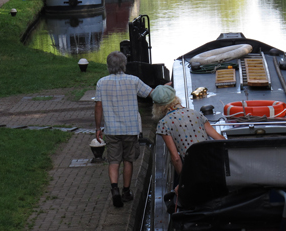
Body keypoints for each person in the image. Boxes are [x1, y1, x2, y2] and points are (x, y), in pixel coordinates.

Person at [95, 51, 152, 208]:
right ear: (123, 65)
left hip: (112, 130)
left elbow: (98, 106)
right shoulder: (133, 80)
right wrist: (164, 90)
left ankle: (114, 189)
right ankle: (126, 192)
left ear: (108, 66)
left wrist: (98, 127)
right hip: (130, 129)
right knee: (128, 160)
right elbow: (150, 93)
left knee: (113, 161)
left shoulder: (101, 82)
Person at [151, 85, 224, 190]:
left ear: (157, 106)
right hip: (212, 165)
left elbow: (176, 158)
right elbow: (220, 139)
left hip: (193, 171)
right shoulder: (196, 113)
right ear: (175, 98)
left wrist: (183, 182)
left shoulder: (164, 124)